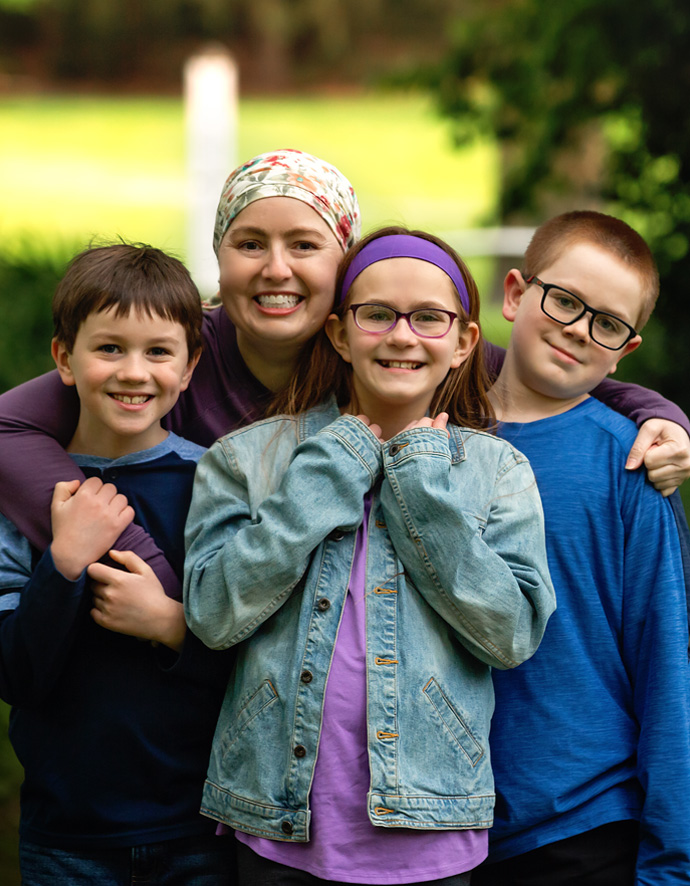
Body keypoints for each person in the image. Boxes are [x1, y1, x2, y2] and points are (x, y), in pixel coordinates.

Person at [0, 149, 686, 595]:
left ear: (346, 266)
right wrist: (138, 558)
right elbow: (9, 425)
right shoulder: (168, 352)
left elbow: (531, 373)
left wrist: (656, 413)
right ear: (220, 258)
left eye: (304, 245)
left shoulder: (386, 354)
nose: (276, 269)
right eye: (249, 244)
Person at [183, 227, 557, 885]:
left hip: (433, 827)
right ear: (338, 333)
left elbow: (513, 634)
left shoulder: (498, 471)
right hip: (276, 825)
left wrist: (420, 486)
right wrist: (325, 477)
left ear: (465, 341)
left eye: (429, 318)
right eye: (377, 314)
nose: (401, 335)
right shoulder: (247, 459)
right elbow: (213, 614)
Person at [0, 243, 236, 884]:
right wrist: (65, 563)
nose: (134, 372)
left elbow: (257, 662)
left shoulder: (217, 484)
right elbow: (14, 674)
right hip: (66, 835)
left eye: (158, 352)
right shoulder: (21, 492)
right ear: (63, 360)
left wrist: (169, 625)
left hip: (201, 830)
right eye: (109, 348)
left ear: (189, 370)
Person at [471, 211, 690, 885]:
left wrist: (671, 861)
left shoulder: (633, 468)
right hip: (432, 825)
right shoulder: (427, 430)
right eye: (564, 301)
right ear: (514, 294)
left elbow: (665, 665)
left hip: (582, 825)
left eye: (607, 323)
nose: (576, 330)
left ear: (626, 349)